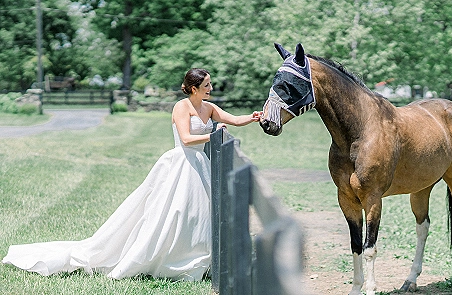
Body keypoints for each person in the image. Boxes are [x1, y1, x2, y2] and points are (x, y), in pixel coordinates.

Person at [2, 68, 262, 281]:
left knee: (199, 213)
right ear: (194, 88)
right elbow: (186, 138)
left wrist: (251, 118)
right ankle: (163, 257)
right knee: (173, 211)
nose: (211, 88)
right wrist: (214, 135)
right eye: (207, 84)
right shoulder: (181, 108)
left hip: (200, 165)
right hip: (181, 163)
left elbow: (234, 119)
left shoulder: (209, 107)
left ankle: (195, 256)